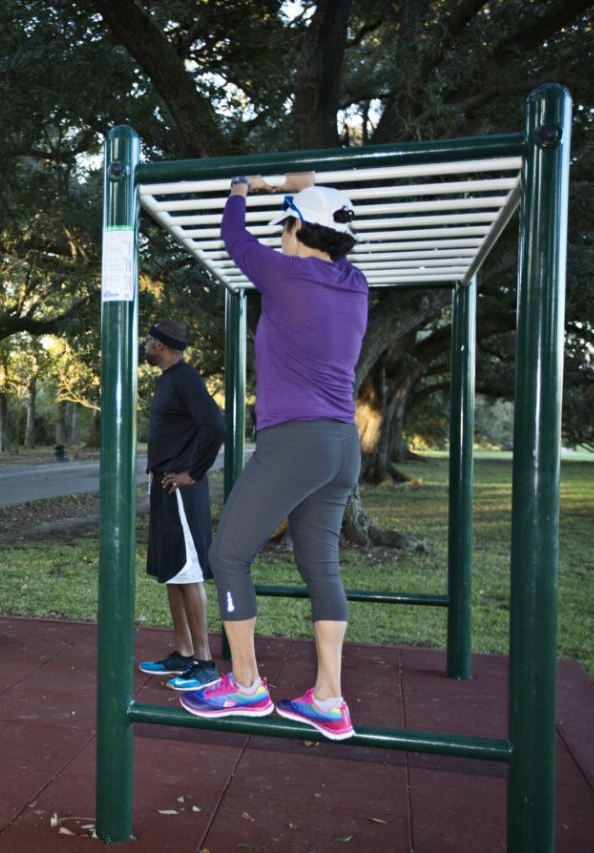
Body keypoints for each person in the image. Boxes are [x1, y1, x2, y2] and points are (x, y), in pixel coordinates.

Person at [180, 181, 367, 741]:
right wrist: (284, 189)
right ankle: (329, 698)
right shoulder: (355, 283)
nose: (277, 238)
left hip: (295, 443)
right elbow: (315, 193)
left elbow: (231, 235)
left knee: (229, 553)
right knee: (322, 568)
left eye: (282, 226)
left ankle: (244, 685)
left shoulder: (284, 274)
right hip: (341, 446)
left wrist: (242, 190)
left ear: (296, 228)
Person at [137, 320, 225, 692]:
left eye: (149, 340)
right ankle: (184, 652)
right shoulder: (167, 379)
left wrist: (193, 472)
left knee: (188, 573)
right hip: (164, 485)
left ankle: (205, 663)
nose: (145, 344)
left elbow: (215, 425)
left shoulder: (187, 378)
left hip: (181, 489)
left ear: (162, 345)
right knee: (173, 572)